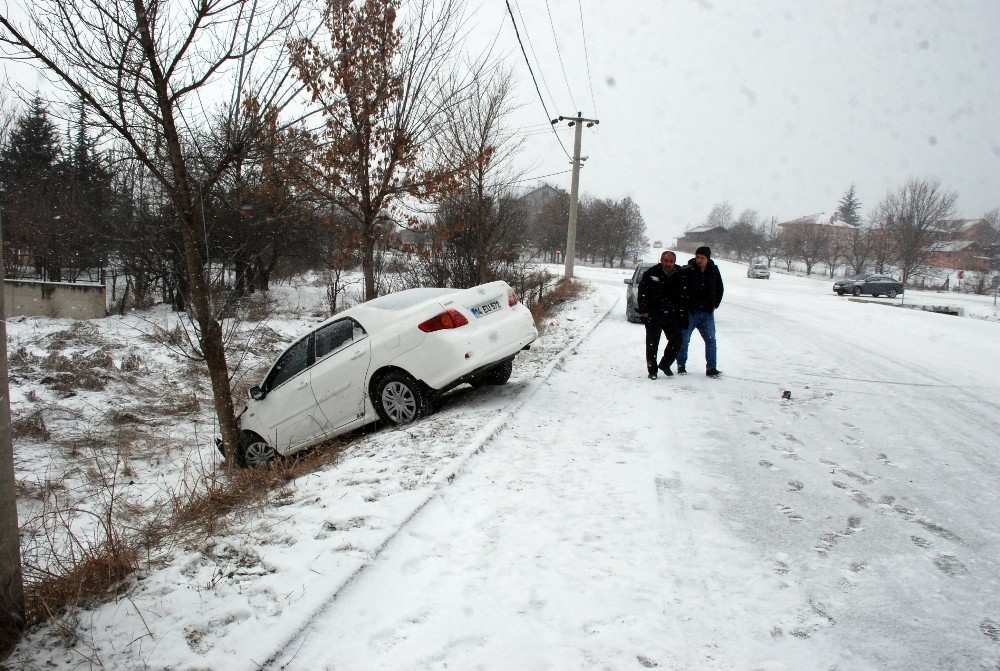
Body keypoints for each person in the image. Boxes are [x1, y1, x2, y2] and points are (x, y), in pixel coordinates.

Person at [637, 250, 689, 379]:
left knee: (677, 339)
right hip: (654, 313)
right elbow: (642, 292)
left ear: (674, 262)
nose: (668, 264)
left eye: (671, 261)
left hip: (672, 314)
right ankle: (652, 371)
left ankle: (665, 364)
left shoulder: (680, 274)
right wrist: (644, 310)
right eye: (666, 261)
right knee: (652, 343)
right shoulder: (651, 273)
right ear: (661, 260)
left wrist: (683, 313)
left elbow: (684, 295)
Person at [677, 246, 724, 377]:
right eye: (697, 257)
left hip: (707, 313)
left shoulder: (713, 270)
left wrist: (715, 304)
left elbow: (720, 288)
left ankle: (711, 368)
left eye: (702, 258)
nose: (699, 260)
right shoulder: (688, 270)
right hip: (690, 312)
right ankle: (681, 366)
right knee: (684, 340)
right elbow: (681, 289)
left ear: (708, 259)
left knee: (711, 340)